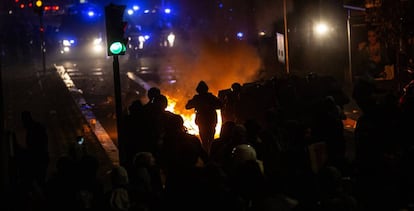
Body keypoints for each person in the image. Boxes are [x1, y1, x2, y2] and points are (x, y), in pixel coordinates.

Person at [185, 81, 222, 154]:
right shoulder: (209, 97)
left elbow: (220, 105)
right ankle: (209, 153)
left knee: (205, 139)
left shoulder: (202, 98)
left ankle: (207, 153)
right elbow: (188, 106)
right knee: (209, 138)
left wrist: (208, 105)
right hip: (209, 120)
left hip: (205, 120)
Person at [21, 110, 50, 189]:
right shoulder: (37, 127)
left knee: (38, 182)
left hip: (38, 159)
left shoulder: (33, 130)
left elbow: (34, 147)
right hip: (41, 158)